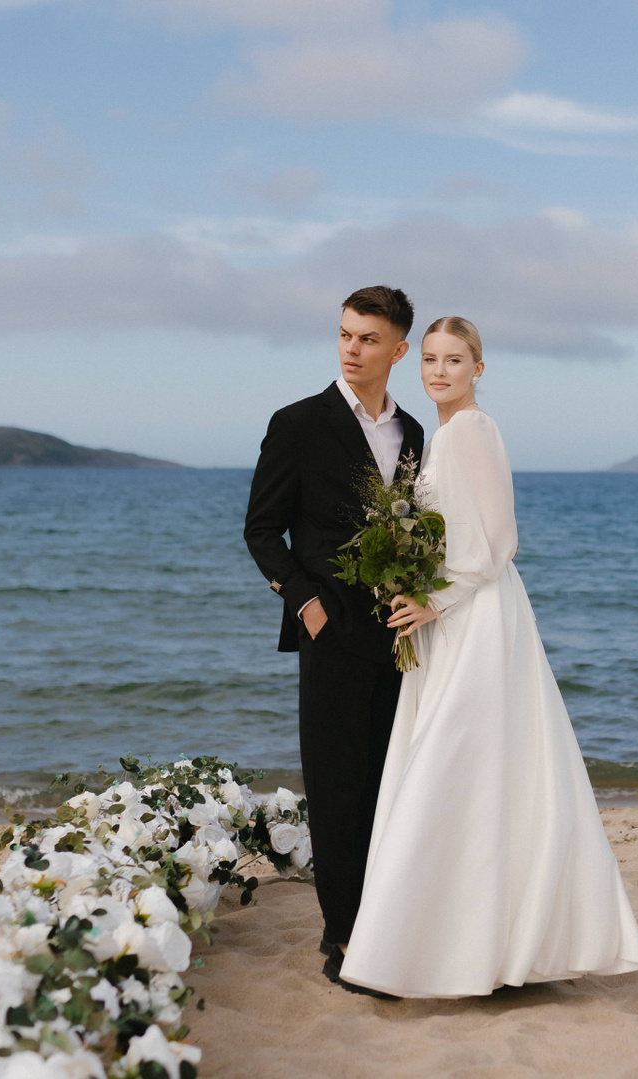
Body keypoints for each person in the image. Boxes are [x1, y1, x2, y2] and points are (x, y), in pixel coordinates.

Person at [337, 316, 638, 999]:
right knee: (469, 770)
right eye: (429, 359)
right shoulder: (447, 435)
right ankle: (451, 947)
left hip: (475, 619)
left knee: (454, 764)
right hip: (454, 617)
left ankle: (428, 952)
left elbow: (500, 540)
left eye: (454, 359)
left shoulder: (471, 431)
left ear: (479, 367)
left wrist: (433, 600)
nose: (439, 370)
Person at [243, 285, 426, 982]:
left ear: (398, 350)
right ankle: (344, 936)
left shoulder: (411, 432)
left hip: (396, 633)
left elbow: (411, 526)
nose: (352, 349)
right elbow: (262, 529)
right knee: (337, 784)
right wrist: (305, 603)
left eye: (368, 339)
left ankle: (383, 918)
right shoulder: (297, 422)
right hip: (329, 630)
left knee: (388, 781)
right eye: (346, 335)